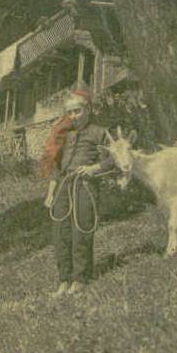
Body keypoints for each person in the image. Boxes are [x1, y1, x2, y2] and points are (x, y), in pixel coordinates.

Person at [41, 89, 115, 296]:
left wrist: (95, 168)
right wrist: (50, 194)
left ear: (88, 109)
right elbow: (57, 167)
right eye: (70, 112)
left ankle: (80, 278)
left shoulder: (100, 132)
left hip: (85, 185)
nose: (73, 116)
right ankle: (64, 279)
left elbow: (115, 157)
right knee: (60, 233)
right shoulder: (65, 135)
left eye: (77, 111)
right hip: (63, 186)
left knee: (80, 230)